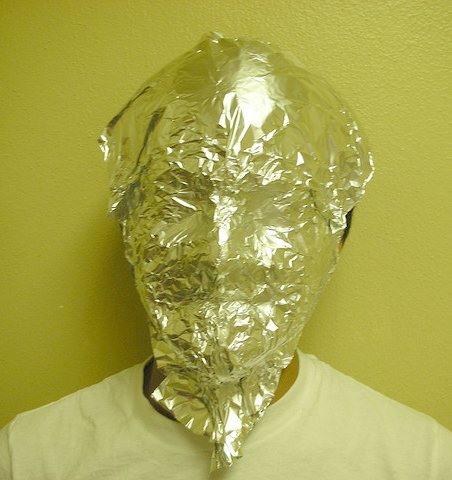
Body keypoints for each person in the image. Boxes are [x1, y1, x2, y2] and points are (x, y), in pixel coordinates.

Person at [1, 33, 451, 479]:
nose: (219, 254)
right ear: (131, 229)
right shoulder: (28, 458)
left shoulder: (422, 462)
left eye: (273, 206)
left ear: (335, 241)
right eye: (181, 201)